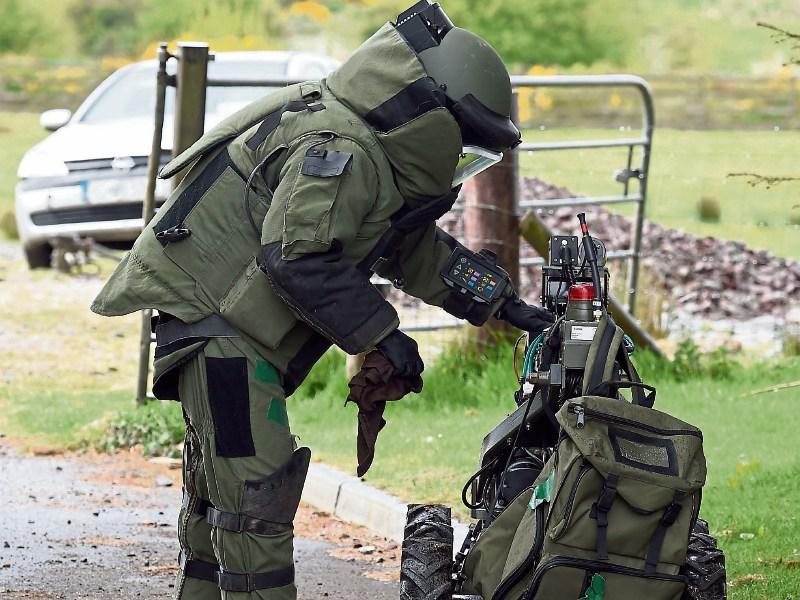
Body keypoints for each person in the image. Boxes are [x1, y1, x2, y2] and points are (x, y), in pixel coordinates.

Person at [91, 2, 554, 598]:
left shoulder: (364, 144)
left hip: (220, 326)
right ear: (429, 117)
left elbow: (407, 248)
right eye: (465, 148)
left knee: (225, 494)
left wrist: (503, 304)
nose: (461, 166)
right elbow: (298, 259)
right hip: (217, 330)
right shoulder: (340, 147)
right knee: (254, 495)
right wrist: (381, 334)